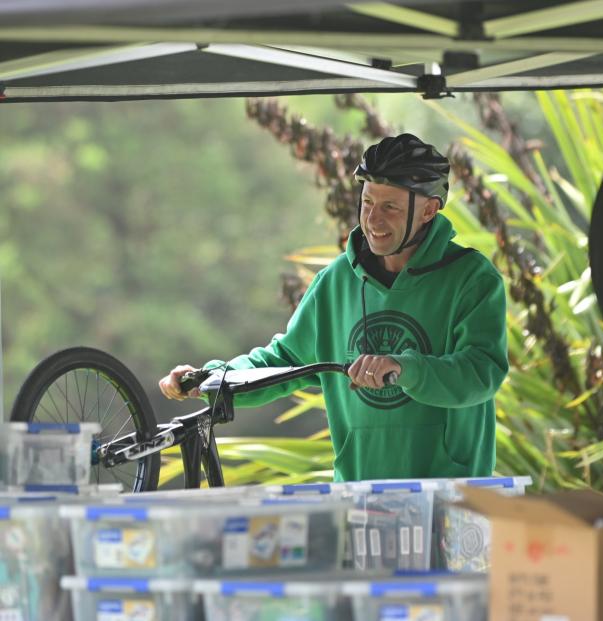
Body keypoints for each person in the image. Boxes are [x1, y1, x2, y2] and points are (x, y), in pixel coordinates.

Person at [160, 133, 508, 481]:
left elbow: (480, 373)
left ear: (429, 210)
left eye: (391, 207)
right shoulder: (335, 281)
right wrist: (214, 378)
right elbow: (283, 362)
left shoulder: (472, 278)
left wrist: (405, 368)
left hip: (455, 498)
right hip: (361, 497)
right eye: (368, 202)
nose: (373, 219)